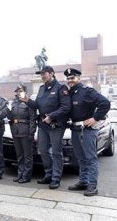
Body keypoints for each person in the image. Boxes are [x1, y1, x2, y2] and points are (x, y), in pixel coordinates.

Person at [21, 66, 71, 189]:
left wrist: (52, 116)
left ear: (52, 74)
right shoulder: (42, 88)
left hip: (56, 125)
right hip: (43, 124)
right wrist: (27, 101)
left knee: (56, 152)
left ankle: (56, 178)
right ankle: (48, 174)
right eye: (41, 74)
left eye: (45, 73)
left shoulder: (61, 88)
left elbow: (66, 107)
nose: (42, 76)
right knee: (42, 150)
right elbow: (37, 105)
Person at [65, 68, 110, 196]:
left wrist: (95, 118)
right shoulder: (70, 93)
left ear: (78, 78)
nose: (70, 80)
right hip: (75, 129)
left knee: (90, 158)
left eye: (72, 78)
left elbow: (105, 103)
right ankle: (83, 182)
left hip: (87, 130)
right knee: (81, 158)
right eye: (68, 78)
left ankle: (93, 185)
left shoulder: (87, 91)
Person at [7, 83, 36, 183]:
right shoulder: (14, 103)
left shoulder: (29, 102)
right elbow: (11, 117)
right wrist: (6, 110)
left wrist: (31, 132)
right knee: (19, 155)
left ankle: (26, 176)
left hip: (26, 131)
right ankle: (20, 174)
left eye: (20, 91)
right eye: (17, 91)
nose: (18, 93)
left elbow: (33, 118)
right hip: (15, 132)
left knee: (27, 156)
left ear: (25, 92)